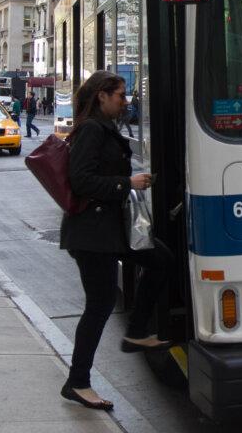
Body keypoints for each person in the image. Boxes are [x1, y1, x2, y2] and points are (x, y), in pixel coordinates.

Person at [59, 71, 172, 411]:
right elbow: (80, 181)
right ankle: (77, 382)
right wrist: (128, 183)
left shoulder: (103, 127)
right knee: (99, 305)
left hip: (110, 230)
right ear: (102, 96)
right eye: (121, 95)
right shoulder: (92, 129)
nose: (126, 101)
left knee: (161, 261)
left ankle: (136, 330)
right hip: (92, 233)